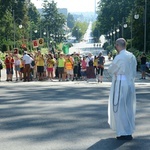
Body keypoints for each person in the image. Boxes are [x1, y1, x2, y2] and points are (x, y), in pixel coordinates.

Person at [108, 38, 137, 140]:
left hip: (120, 83)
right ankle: (128, 131)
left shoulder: (119, 57)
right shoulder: (132, 56)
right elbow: (134, 71)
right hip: (129, 84)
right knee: (128, 107)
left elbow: (111, 69)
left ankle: (122, 132)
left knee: (119, 108)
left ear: (117, 45)